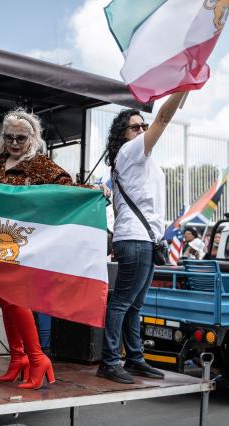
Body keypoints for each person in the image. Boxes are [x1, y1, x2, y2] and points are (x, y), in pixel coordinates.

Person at [0, 108, 76, 390]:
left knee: (15, 300)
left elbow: (67, 189)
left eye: (20, 137)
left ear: (32, 138)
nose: (15, 143)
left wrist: (94, 191)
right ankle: (18, 358)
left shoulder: (41, 166)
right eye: (9, 137)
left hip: (24, 245)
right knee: (5, 302)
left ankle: (36, 358)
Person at [97, 92, 185, 384]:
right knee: (122, 303)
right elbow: (163, 117)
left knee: (134, 305)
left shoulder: (140, 158)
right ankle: (110, 361)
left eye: (142, 126)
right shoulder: (131, 151)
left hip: (144, 240)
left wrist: (185, 89)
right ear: (123, 135)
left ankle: (134, 358)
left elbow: (163, 117)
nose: (143, 130)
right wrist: (182, 84)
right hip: (134, 239)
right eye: (135, 127)